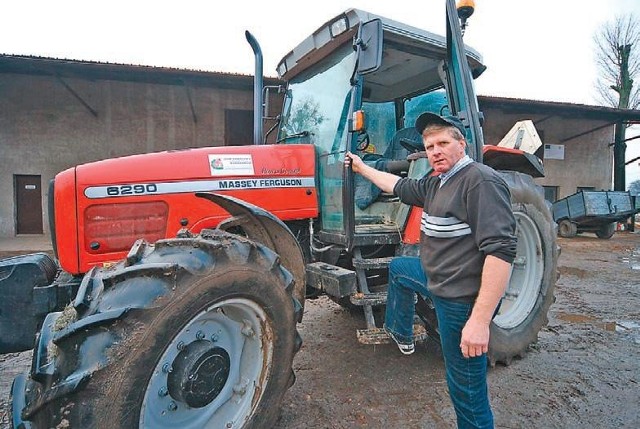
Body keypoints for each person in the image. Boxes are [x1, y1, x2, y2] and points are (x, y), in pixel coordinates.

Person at [345, 112, 517, 429]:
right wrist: (361, 167)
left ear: (461, 144)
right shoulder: (437, 183)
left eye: (442, 143)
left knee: (466, 391)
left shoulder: (480, 182)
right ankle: (400, 331)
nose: (435, 151)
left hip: (460, 302)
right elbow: (397, 184)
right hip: (435, 278)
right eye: (429, 145)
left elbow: (501, 253)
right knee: (399, 267)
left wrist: (479, 322)